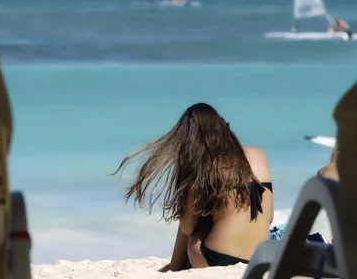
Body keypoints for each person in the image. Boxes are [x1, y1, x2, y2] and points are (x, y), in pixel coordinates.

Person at [111, 103, 273, 271]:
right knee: (218, 210)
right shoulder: (258, 154)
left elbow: (187, 228)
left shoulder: (204, 165)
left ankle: (175, 266)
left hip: (215, 258)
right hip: (260, 259)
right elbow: (269, 217)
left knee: (195, 216)